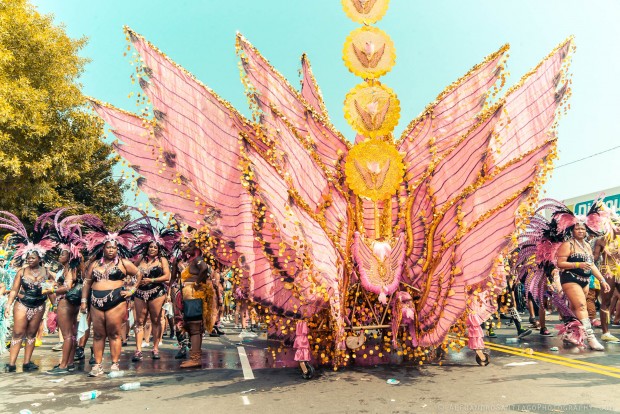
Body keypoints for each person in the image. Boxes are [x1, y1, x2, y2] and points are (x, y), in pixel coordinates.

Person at [81, 217, 143, 377]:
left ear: (117, 249)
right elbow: (87, 282)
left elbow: (139, 274)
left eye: (113, 248)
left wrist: (132, 290)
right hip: (95, 302)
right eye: (108, 247)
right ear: (103, 248)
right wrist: (83, 301)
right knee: (98, 334)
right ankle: (98, 365)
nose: (110, 250)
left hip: (116, 302)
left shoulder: (123, 263)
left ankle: (115, 364)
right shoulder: (95, 265)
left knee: (114, 333)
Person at [556, 222, 610, 350]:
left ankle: (571, 334)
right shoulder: (568, 244)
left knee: (576, 309)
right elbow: (560, 263)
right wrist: (577, 265)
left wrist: (602, 280)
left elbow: (591, 265)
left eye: (583, 228)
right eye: (577, 228)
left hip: (585, 280)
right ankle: (591, 338)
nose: (580, 230)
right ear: (572, 230)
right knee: (581, 306)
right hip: (570, 279)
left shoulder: (586, 245)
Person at [131, 220, 177, 361]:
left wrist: (151, 280)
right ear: (146, 247)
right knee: (139, 321)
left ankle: (155, 348)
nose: (152, 249)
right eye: (150, 247)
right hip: (139, 293)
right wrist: (135, 280)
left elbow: (167, 276)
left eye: (155, 248)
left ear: (159, 249)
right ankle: (138, 350)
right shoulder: (140, 259)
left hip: (156, 293)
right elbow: (131, 269)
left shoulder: (162, 260)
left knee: (156, 320)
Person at [172, 233, 213, 368]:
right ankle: (195, 357)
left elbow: (204, 268)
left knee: (194, 327)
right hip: (189, 295)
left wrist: (196, 283)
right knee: (193, 327)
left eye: (189, 244)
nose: (186, 247)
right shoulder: (188, 260)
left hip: (194, 295)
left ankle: (195, 359)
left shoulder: (198, 259)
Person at [593, 216, 620, 342]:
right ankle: (605, 332)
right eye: (617, 225)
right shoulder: (602, 240)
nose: (619, 228)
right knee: (607, 301)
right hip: (608, 272)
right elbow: (594, 258)